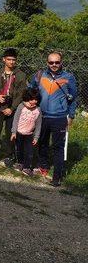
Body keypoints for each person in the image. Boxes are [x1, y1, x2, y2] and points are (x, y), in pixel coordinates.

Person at [31, 52, 78, 187]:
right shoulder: (40, 75)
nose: (54, 65)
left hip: (59, 117)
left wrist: (71, 115)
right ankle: (43, 167)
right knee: (42, 143)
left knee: (58, 147)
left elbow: (73, 98)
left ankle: (57, 176)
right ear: (47, 63)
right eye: (51, 62)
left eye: (57, 62)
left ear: (61, 62)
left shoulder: (68, 77)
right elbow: (31, 91)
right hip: (42, 116)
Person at [0, 48, 27, 165]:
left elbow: (21, 94)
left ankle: (9, 155)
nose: (11, 62)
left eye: (14, 60)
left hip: (12, 107)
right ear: (4, 59)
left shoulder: (21, 75)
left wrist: (12, 108)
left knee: (10, 133)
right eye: (9, 59)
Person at [10, 88, 42, 176]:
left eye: (36, 99)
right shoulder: (21, 106)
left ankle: (27, 167)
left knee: (29, 151)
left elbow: (39, 124)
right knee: (19, 149)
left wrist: (36, 137)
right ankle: (20, 164)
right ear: (27, 98)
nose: (34, 101)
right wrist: (13, 132)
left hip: (29, 134)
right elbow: (15, 119)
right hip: (19, 133)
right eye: (32, 99)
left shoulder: (38, 110)